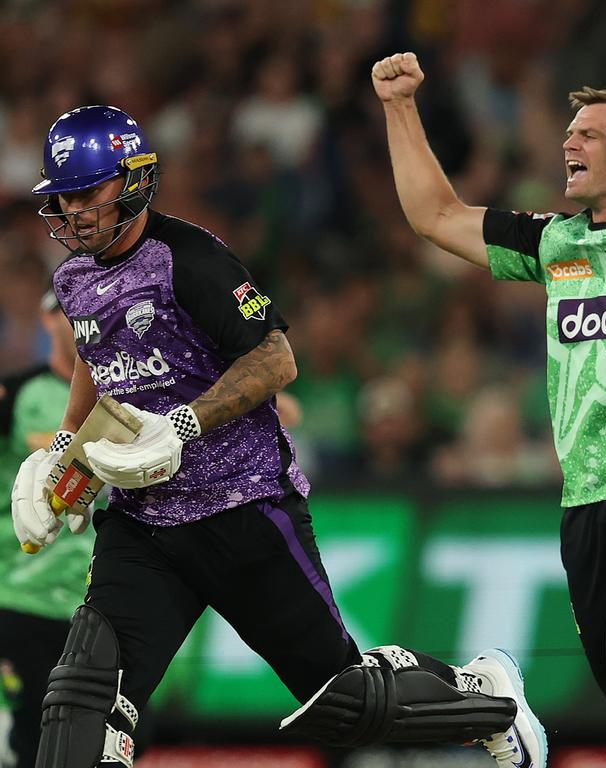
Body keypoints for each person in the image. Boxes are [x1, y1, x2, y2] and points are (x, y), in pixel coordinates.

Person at [11, 105, 546, 768]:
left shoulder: (191, 258)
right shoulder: (72, 279)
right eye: (62, 198)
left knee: (341, 700)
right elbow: (97, 359)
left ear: (134, 180)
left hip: (242, 511)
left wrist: (185, 423)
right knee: (78, 703)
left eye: (87, 192)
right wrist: (65, 444)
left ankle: (482, 693)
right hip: (144, 529)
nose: (73, 211)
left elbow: (275, 360)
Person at [373, 41, 606, 768]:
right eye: (570, 133)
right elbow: (435, 216)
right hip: (585, 499)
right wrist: (399, 106)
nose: (568, 141)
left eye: (589, 134)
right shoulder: (553, 243)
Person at [0, 292, 90, 768]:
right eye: (63, 310)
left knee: (123, 734)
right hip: (25, 595)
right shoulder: (17, 393)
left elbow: (290, 412)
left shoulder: (133, 395)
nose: (76, 321)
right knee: (34, 738)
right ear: (45, 319)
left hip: (100, 600)